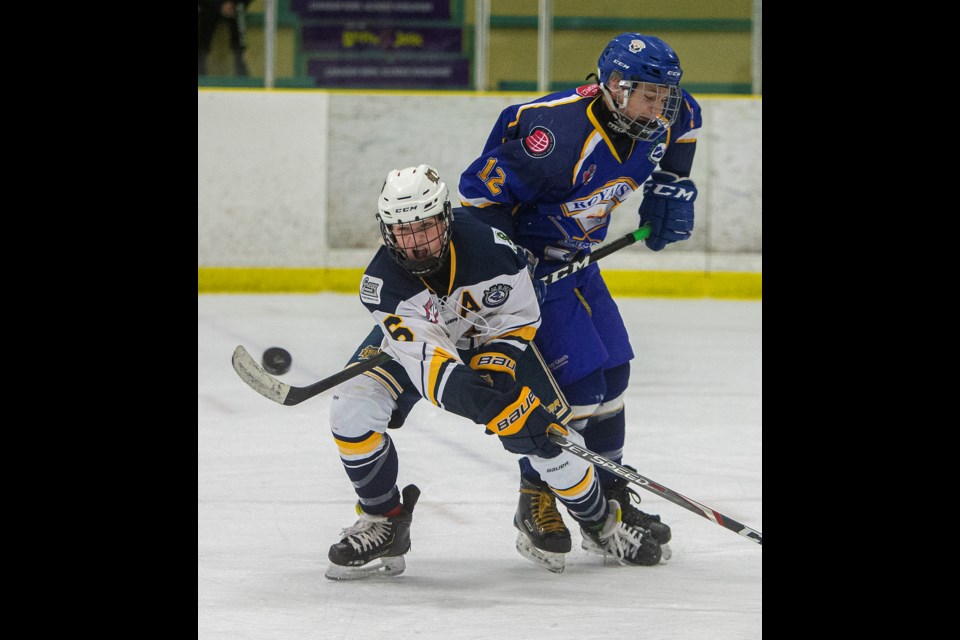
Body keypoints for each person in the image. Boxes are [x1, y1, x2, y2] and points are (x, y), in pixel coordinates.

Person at [325, 165, 661, 580]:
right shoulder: (383, 284)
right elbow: (433, 369)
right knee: (351, 406)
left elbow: (518, 317)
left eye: (425, 227)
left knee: (553, 439)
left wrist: (498, 371)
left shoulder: (492, 249)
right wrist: (496, 407)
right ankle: (384, 520)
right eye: (402, 230)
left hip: (488, 339)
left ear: (445, 218)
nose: (414, 243)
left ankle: (600, 524)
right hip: (422, 350)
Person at [457, 33, 702, 567]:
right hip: (536, 271)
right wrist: (510, 266)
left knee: (615, 375)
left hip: (580, 260)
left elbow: (688, 124)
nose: (662, 108)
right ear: (614, 86)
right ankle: (535, 497)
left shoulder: (664, 116)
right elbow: (477, 196)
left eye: (666, 97)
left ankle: (609, 496)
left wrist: (672, 187)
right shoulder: (557, 135)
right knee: (579, 389)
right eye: (650, 96)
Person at [198, 1, 252, 76]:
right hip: (209, 7)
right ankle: (200, 63)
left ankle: (240, 62)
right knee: (207, 15)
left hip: (235, 7)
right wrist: (219, 5)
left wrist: (233, 4)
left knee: (239, 11)